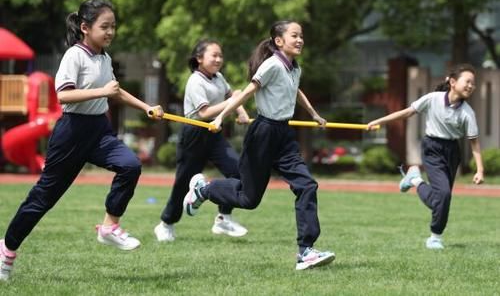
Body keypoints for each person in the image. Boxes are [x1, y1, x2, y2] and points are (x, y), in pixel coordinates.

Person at [0, 0, 164, 281]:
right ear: (86, 27)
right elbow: (63, 95)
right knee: (43, 198)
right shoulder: (74, 56)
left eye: (114, 26)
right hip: (72, 133)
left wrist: (146, 107)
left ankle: (109, 227)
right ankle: (6, 250)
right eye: (105, 26)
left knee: (130, 165)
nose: (111, 32)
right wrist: (102, 92)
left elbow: (115, 90)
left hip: (99, 131)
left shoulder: (104, 57)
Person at [182, 21, 335, 270]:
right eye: (294, 36)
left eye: (301, 36)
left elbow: (297, 91)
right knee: (248, 198)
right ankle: (203, 190)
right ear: (278, 41)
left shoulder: (294, 68)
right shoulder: (272, 65)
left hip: (284, 135)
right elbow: (245, 93)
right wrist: (220, 117)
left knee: (307, 185)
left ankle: (306, 251)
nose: (300, 40)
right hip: (263, 133)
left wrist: (314, 114)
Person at [366, 63, 485, 250]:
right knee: (443, 195)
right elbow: (407, 112)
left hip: (452, 152)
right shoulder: (433, 99)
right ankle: (435, 237)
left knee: (443, 198)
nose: (471, 86)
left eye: (473, 83)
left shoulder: (468, 113)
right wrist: (379, 121)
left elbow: (474, 143)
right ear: (453, 82)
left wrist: (480, 169)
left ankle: (415, 180)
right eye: (467, 81)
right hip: (432, 149)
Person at [154, 39, 250, 242]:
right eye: (213, 55)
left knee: (237, 172)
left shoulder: (218, 78)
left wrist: (241, 111)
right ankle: (166, 223)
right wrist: (232, 104)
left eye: (220, 56)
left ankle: (224, 218)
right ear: (199, 59)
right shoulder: (195, 81)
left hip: (214, 134)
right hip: (194, 133)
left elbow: (232, 95)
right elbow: (205, 112)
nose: (218, 59)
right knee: (183, 183)